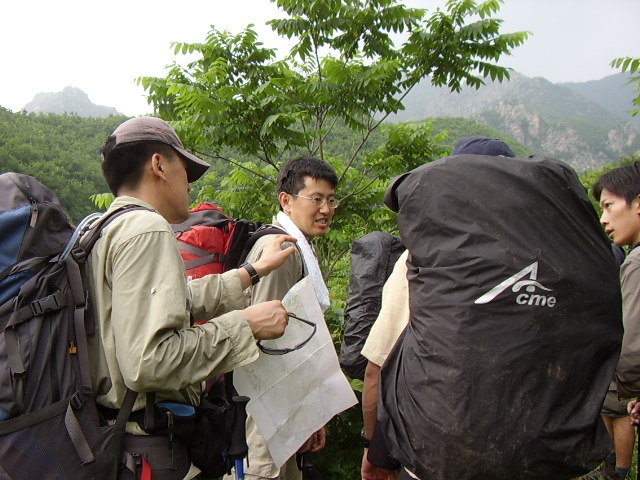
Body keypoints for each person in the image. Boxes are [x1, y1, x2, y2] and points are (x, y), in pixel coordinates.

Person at [88, 116, 298, 480]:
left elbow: (168, 302)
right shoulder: (147, 229)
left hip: (112, 441)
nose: (189, 184)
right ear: (158, 165)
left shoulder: (100, 229)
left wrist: (252, 271)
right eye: (185, 170)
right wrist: (245, 325)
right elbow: (150, 362)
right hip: (147, 450)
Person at [360, 137, 517, 480]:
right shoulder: (549, 261)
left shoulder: (424, 259)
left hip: (438, 457)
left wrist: (375, 448)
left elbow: (378, 370)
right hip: (529, 455)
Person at [224, 156, 339, 480]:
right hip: (266, 413)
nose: (326, 209)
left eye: (331, 200)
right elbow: (268, 345)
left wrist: (307, 414)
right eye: (316, 199)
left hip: (281, 408)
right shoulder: (282, 251)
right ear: (286, 201)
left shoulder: (297, 249)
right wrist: (302, 415)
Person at [590, 162, 640, 480]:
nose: (603, 219)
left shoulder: (636, 263)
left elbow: (633, 345)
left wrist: (626, 385)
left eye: (608, 206)